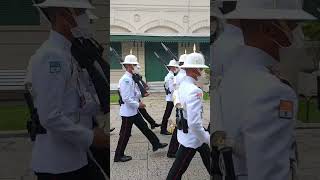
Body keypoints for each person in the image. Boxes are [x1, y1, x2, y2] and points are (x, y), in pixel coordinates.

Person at [211, 0, 317, 179]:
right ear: (270, 30)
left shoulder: (234, 73)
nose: (299, 36)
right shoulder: (273, 92)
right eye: (293, 27)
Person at [28, 0, 109, 179]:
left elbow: (76, 101)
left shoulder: (66, 54)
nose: (85, 19)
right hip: (57, 164)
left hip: (74, 157)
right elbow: (50, 116)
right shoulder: (51, 57)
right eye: (80, 12)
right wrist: (91, 137)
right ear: (63, 16)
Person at [114, 53, 168, 162]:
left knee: (145, 128)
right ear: (129, 66)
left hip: (133, 111)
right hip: (128, 113)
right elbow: (126, 98)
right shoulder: (125, 80)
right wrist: (138, 104)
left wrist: (139, 95)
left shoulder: (132, 78)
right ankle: (118, 156)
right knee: (125, 135)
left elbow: (136, 93)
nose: (137, 67)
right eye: (134, 65)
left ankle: (156, 144)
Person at [167, 52, 211, 180]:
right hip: (192, 137)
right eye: (201, 69)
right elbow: (194, 124)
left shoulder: (183, 86)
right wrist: (208, 138)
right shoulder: (194, 91)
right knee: (176, 172)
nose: (203, 72)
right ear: (193, 70)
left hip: (190, 134)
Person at [167, 52, 188, 158]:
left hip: (180, 105)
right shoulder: (183, 76)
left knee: (180, 127)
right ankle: (173, 151)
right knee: (180, 127)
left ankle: (172, 150)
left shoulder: (178, 76)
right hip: (184, 106)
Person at [136, 65, 162, 129]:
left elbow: (140, 83)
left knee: (143, 112)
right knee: (129, 118)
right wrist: (144, 93)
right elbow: (138, 85)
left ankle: (152, 123)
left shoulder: (136, 76)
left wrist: (145, 89)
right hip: (130, 100)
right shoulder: (130, 77)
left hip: (135, 99)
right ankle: (124, 132)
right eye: (138, 68)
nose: (139, 70)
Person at [161, 60, 179, 135]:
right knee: (167, 114)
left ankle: (163, 128)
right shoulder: (171, 76)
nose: (176, 68)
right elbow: (171, 89)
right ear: (172, 67)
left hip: (170, 98)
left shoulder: (168, 75)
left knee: (167, 114)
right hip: (172, 98)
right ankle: (163, 129)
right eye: (175, 67)